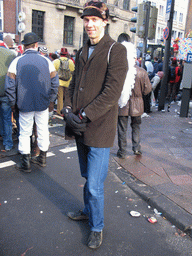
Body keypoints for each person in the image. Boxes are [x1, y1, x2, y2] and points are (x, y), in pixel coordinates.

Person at [61, 0, 128, 249]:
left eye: (94, 20)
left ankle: (97, 227)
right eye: (86, 20)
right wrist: (67, 109)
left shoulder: (115, 50)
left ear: (104, 21)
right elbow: (72, 82)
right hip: (79, 126)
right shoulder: (81, 51)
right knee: (87, 176)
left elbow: (112, 92)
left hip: (98, 129)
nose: (89, 25)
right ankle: (89, 212)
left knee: (95, 185)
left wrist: (85, 114)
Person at [5, 32, 59, 173]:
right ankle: (42, 158)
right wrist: (52, 100)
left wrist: (12, 103)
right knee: (42, 130)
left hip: (24, 103)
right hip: (42, 103)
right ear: (36, 45)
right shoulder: (47, 61)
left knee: (25, 132)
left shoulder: (16, 61)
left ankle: (26, 163)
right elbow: (55, 84)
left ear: (24, 46)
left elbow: (9, 86)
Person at [117, 40, 152, 158]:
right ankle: (136, 148)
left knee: (122, 129)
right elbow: (148, 90)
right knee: (136, 127)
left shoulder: (120, 71)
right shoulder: (142, 72)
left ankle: (122, 151)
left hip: (122, 104)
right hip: (138, 105)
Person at [0, 47, 16, 152]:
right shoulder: (11, 54)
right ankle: (8, 143)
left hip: (5, 92)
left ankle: (3, 136)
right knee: (6, 119)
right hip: (6, 91)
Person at [53, 47, 75, 116]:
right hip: (68, 82)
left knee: (60, 97)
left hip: (59, 82)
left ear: (60, 54)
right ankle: (66, 111)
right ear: (66, 54)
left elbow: (53, 72)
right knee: (67, 98)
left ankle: (59, 112)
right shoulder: (70, 61)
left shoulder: (56, 61)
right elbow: (73, 71)